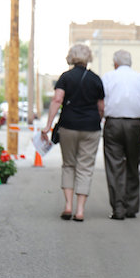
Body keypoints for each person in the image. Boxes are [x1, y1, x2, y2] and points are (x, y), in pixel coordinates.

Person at [42, 44, 104, 222]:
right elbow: (101, 107)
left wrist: (48, 125)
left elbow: (57, 99)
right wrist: (96, 120)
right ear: (88, 57)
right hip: (91, 127)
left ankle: (68, 206)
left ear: (71, 57)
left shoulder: (65, 77)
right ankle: (80, 211)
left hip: (68, 126)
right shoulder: (96, 79)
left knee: (69, 164)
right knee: (85, 167)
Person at [101, 50, 140, 220]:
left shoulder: (108, 77)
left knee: (114, 166)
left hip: (113, 124)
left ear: (115, 63)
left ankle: (118, 208)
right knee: (133, 164)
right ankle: (132, 207)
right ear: (130, 63)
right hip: (134, 124)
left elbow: (102, 104)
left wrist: (99, 123)